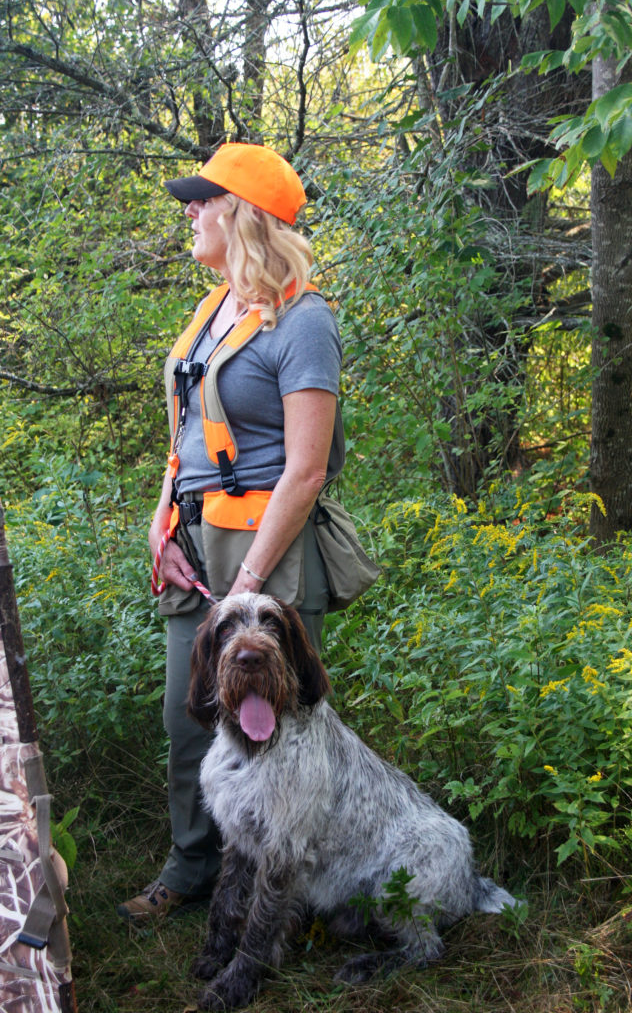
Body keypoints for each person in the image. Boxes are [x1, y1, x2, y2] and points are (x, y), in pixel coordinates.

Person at [117, 143, 343, 921]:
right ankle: (191, 868)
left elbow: (305, 471)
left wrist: (247, 582)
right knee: (191, 715)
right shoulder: (214, 309)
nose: (189, 211)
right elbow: (186, 435)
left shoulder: (305, 322)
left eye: (202, 199)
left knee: (274, 730)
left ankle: (275, 891)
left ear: (244, 215)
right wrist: (162, 521)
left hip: (266, 552)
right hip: (193, 539)